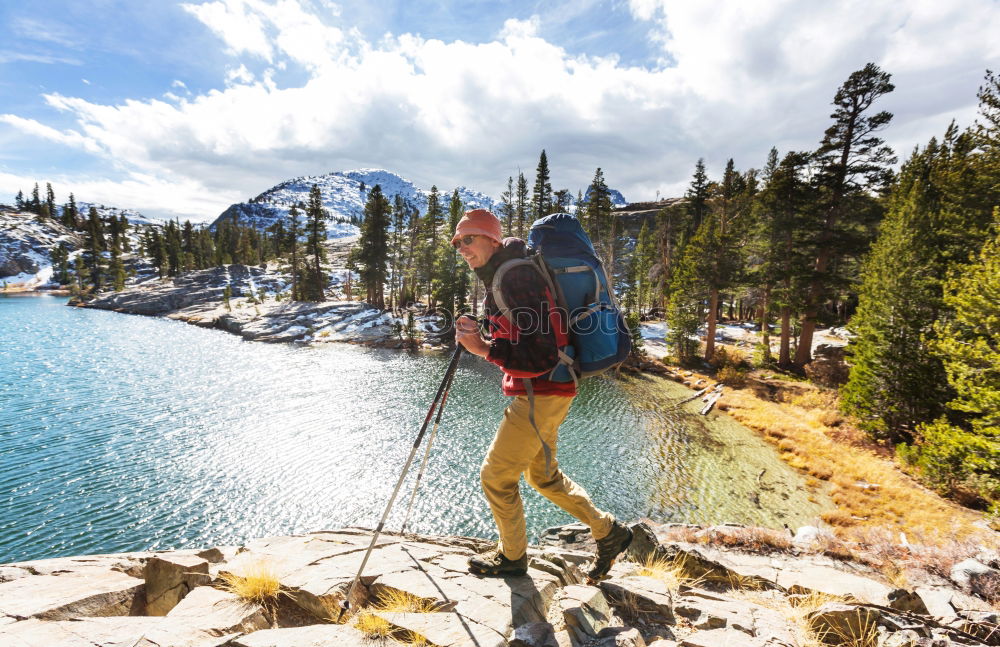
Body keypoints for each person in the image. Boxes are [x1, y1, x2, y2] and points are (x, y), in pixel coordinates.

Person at [452, 208, 632, 581]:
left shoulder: (515, 275)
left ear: (491, 237)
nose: (462, 248)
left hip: (542, 391)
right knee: (544, 477)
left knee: (496, 477)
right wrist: (483, 330)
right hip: (552, 388)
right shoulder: (509, 272)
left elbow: (541, 353)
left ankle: (513, 558)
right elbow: (527, 329)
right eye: (457, 242)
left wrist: (483, 350)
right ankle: (609, 532)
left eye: (468, 239)